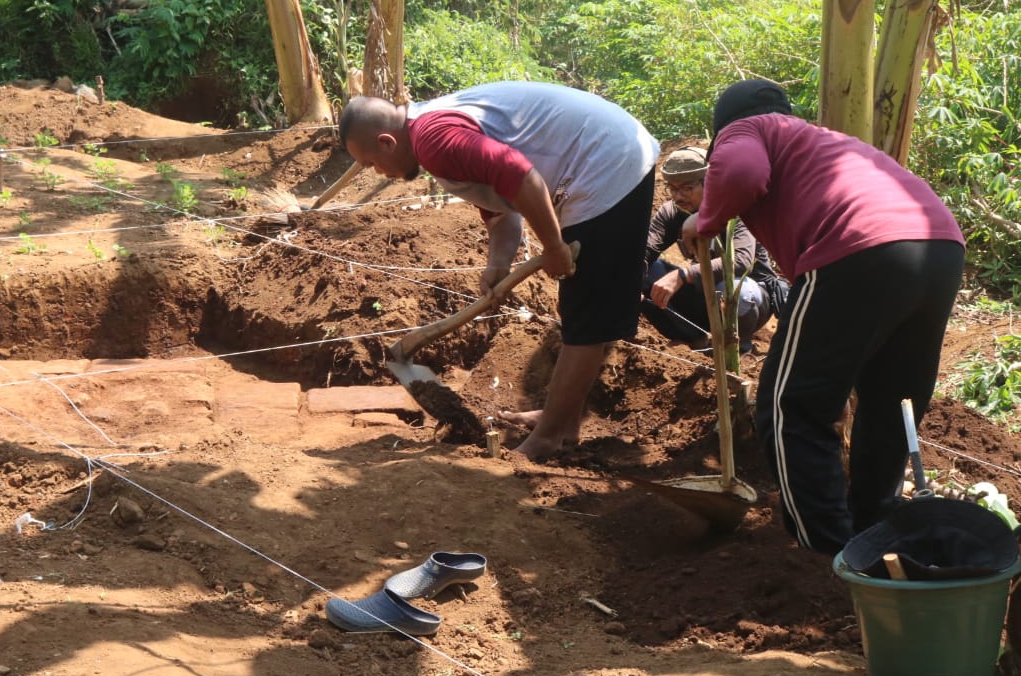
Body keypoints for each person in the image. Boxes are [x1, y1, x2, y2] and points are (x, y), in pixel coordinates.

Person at [682, 79, 965, 556]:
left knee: (790, 406)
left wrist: (705, 219)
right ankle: (873, 529)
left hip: (858, 248)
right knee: (890, 400)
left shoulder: (747, 130)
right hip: (938, 248)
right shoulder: (823, 141)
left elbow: (743, 173)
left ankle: (826, 549)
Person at [339, 81, 660, 460]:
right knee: (580, 311)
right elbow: (500, 205)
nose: (378, 173)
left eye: (371, 163)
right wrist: (498, 264)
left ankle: (547, 438)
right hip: (601, 154)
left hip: (607, 162)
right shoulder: (429, 134)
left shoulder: (433, 138)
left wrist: (554, 246)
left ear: (386, 142)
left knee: (589, 314)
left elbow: (522, 177)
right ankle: (563, 419)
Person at [642, 146, 786, 354]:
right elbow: (645, 251)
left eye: (687, 188)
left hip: (749, 301)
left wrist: (684, 274)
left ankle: (738, 347)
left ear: (709, 182)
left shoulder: (737, 209)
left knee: (737, 289)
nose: (678, 196)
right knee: (645, 272)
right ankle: (695, 339)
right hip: (705, 298)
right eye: (672, 189)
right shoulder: (672, 211)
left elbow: (740, 261)